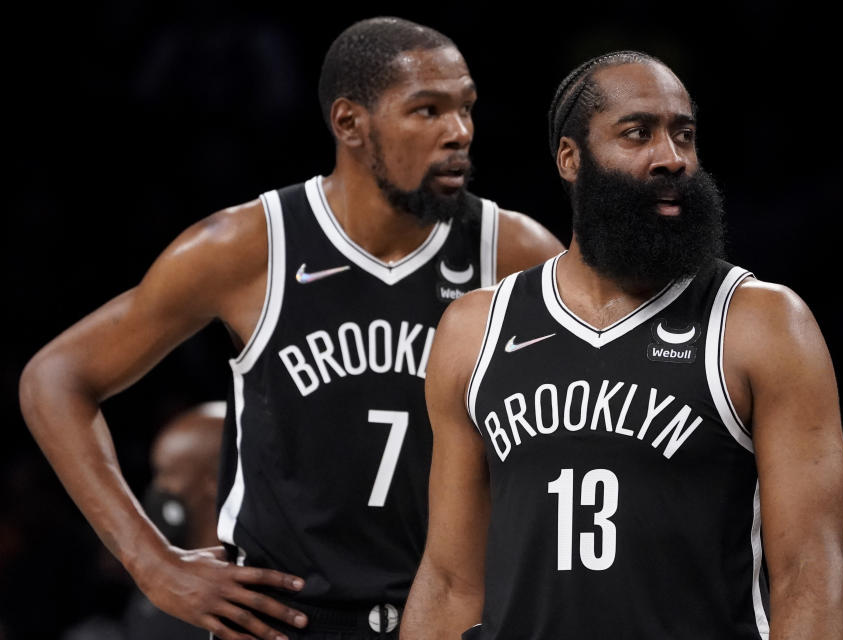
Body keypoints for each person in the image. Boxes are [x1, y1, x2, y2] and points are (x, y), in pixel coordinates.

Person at [18, 17, 562, 640]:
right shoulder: (250, 247)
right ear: (350, 123)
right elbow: (55, 378)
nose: (459, 132)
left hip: (453, 621)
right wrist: (151, 563)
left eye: (466, 107)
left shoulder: (511, 251)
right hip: (288, 623)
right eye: (427, 111)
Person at [400, 51, 843, 640]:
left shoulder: (762, 321)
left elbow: (809, 577)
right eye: (638, 133)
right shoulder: (475, 329)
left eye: (684, 136)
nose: (671, 158)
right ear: (570, 158)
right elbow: (450, 580)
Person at [125, 402, 226, 640]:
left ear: (214, 481)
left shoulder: (249, 581)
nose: (158, 488)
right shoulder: (156, 579)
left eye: (166, 473)